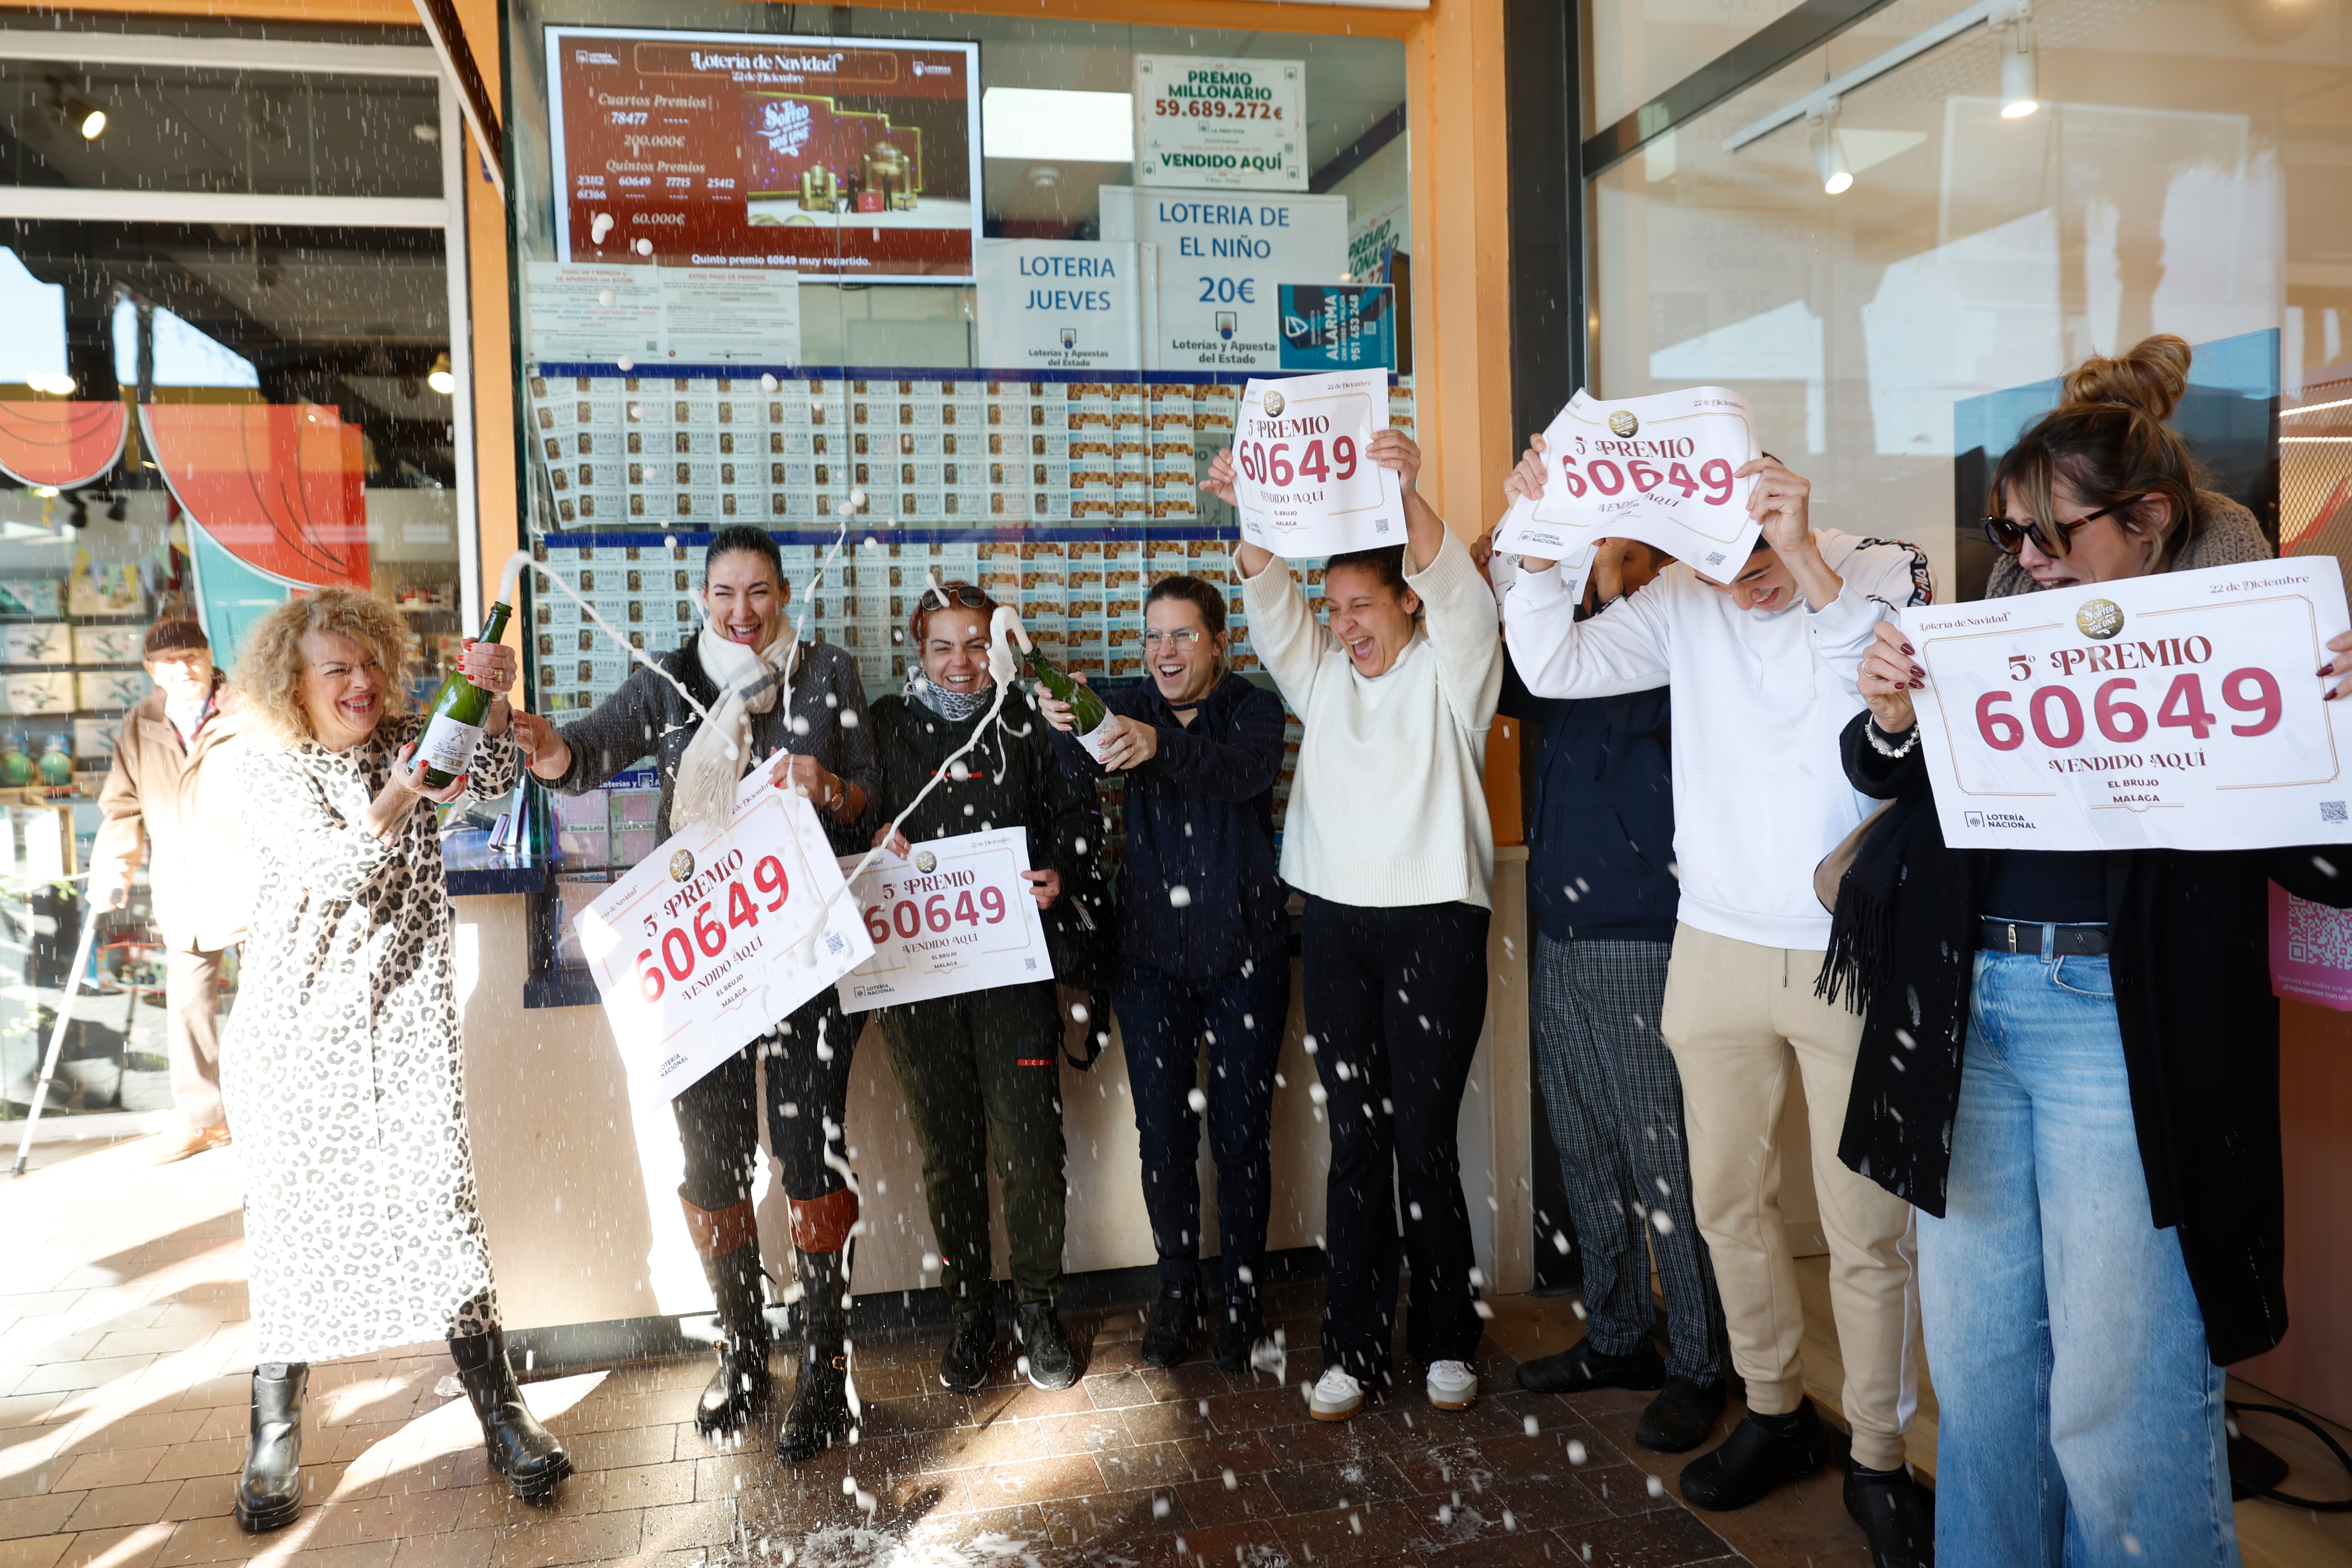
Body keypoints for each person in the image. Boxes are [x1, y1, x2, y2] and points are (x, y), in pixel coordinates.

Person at [1824, 335, 2352, 1567]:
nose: (2022, 560)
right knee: (1984, 1376)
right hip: (1968, 1010)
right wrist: (1896, 709)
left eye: (2050, 536)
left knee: (2120, 1392)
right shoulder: (2005, 624)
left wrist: (2331, 726)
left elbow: (2327, 863)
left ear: (2152, 519)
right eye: (2008, 533)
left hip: (2119, 1026)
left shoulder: (2248, 639)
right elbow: (1891, 783)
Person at [1502, 447, 1936, 1565]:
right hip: (1714, 939)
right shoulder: (1680, 598)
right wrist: (1543, 535)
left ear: (1790, 505)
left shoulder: (1878, 569)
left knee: (1864, 1229)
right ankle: (1776, 1409)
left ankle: (1881, 1455)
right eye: (1719, 556)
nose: (1743, 576)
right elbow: (1549, 662)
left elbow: (1886, 707)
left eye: (1758, 547)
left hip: (1847, 944)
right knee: (1725, 1205)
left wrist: (1803, 558)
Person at [510, 525, 877, 1462]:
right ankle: (746, 1353)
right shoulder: (666, 678)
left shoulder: (826, 672)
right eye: (724, 592)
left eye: (759, 592)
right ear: (701, 595)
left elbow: (869, 796)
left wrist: (827, 782)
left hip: (800, 957)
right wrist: (543, 743)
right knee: (711, 1165)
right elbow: (583, 756)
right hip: (697, 963)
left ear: (785, 593)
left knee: (809, 1160)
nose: (741, 610)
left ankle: (827, 1370)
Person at [225, 588, 566, 1533]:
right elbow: (340, 868)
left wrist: (489, 697)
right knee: (294, 1225)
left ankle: (504, 1416)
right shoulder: (266, 767)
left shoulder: (414, 733)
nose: (362, 681)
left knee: (443, 1210)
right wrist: (412, 782)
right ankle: (273, 1433)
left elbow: (496, 770)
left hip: (409, 1020)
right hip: (298, 1032)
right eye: (336, 668)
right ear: (293, 682)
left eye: (370, 662)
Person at [1201, 432, 1502, 1421]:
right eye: (1333, 610)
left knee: (1424, 1140)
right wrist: (1253, 506)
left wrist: (1405, 489)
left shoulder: (1456, 670)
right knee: (1358, 1140)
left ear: (1407, 598)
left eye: (1361, 605)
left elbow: (1458, 590)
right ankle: (1354, 1346)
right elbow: (1266, 593)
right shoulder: (1322, 674)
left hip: (1433, 923)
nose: (1343, 625)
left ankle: (1447, 1338)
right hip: (1333, 921)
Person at [1500, 539, 1731, 1455]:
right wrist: (1517, 568)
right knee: (1587, 1144)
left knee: (1662, 1159)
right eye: (1601, 552)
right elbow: (1511, 670)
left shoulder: (1681, 650)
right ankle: (1618, 1333)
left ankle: (1702, 1365)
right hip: (1557, 927)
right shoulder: (1573, 649)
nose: (1612, 568)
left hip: (1644, 930)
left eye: (1631, 554)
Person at [1033, 573, 1289, 1372]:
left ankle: (1243, 1295)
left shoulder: (1255, 707)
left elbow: (1240, 774)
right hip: (1146, 962)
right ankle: (1178, 1289)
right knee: (1164, 1136)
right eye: (1155, 635)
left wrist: (1156, 740)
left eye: (1184, 635)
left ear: (1220, 641)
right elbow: (1073, 773)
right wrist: (1059, 722)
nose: (1166, 652)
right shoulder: (1120, 700)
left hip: (1247, 955)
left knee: (1244, 1138)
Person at [865, 582, 1104, 1394]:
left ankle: (1037, 1307)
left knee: (1031, 1150)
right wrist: (871, 830)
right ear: (918, 650)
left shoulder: (1025, 717)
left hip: (1012, 970)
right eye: (943, 646)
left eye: (974, 644)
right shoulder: (887, 725)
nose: (961, 661)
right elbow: (849, 817)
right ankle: (969, 1309)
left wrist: (1059, 868)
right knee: (948, 1154)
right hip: (919, 979)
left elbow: (1081, 809)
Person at [87, 617, 256, 1164]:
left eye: (191, 656)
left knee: (267, 1003)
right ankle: (205, 1120)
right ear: (151, 670)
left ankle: (274, 1109)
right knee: (187, 1008)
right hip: (184, 887)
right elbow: (122, 806)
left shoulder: (249, 711)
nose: (182, 669)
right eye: (168, 662)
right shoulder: (142, 722)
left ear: (210, 657)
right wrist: (113, 869)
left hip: (252, 882)